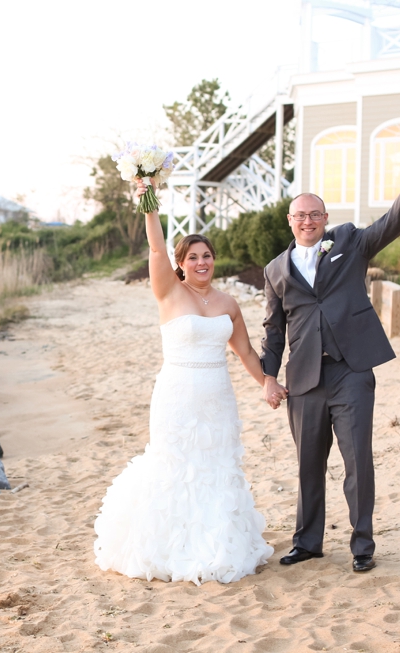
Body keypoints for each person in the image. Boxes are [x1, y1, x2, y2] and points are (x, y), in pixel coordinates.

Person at [93, 179, 274, 585]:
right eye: (193, 257)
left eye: (207, 255)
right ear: (181, 264)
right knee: (177, 467)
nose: (201, 262)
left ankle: (217, 544)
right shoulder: (169, 293)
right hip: (176, 396)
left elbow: (244, 352)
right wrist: (149, 204)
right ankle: (171, 547)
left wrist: (266, 383)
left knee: (216, 468)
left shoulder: (228, 303)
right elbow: (156, 247)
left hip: (218, 398)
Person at [260, 150, 400, 573]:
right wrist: (267, 376)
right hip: (303, 379)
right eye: (300, 215)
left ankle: (362, 545)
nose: (308, 221)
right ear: (290, 220)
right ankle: (308, 543)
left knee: (358, 462)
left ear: (324, 217)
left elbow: (390, 225)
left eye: (315, 214)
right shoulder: (275, 270)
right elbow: (273, 329)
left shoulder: (350, 242)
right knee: (308, 465)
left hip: (351, 371)